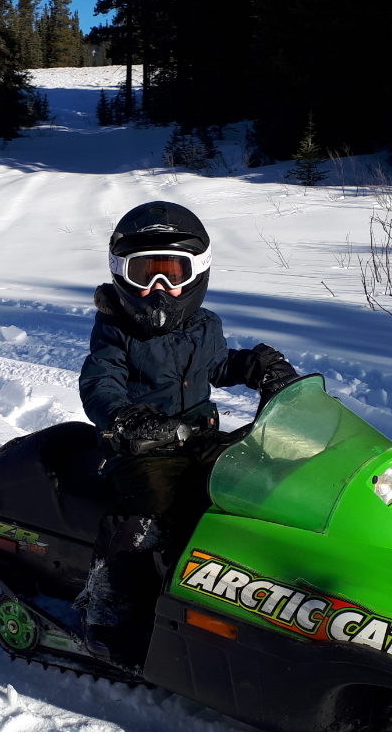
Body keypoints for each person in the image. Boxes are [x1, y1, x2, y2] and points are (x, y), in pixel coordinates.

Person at [76, 201, 299, 664]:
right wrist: (124, 418)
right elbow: (100, 381)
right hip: (139, 448)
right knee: (151, 510)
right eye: (145, 274)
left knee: (255, 492)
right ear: (122, 274)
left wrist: (255, 365)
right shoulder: (116, 331)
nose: (160, 288)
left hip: (199, 438)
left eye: (172, 273)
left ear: (197, 274)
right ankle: (106, 607)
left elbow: (216, 365)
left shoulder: (204, 324)